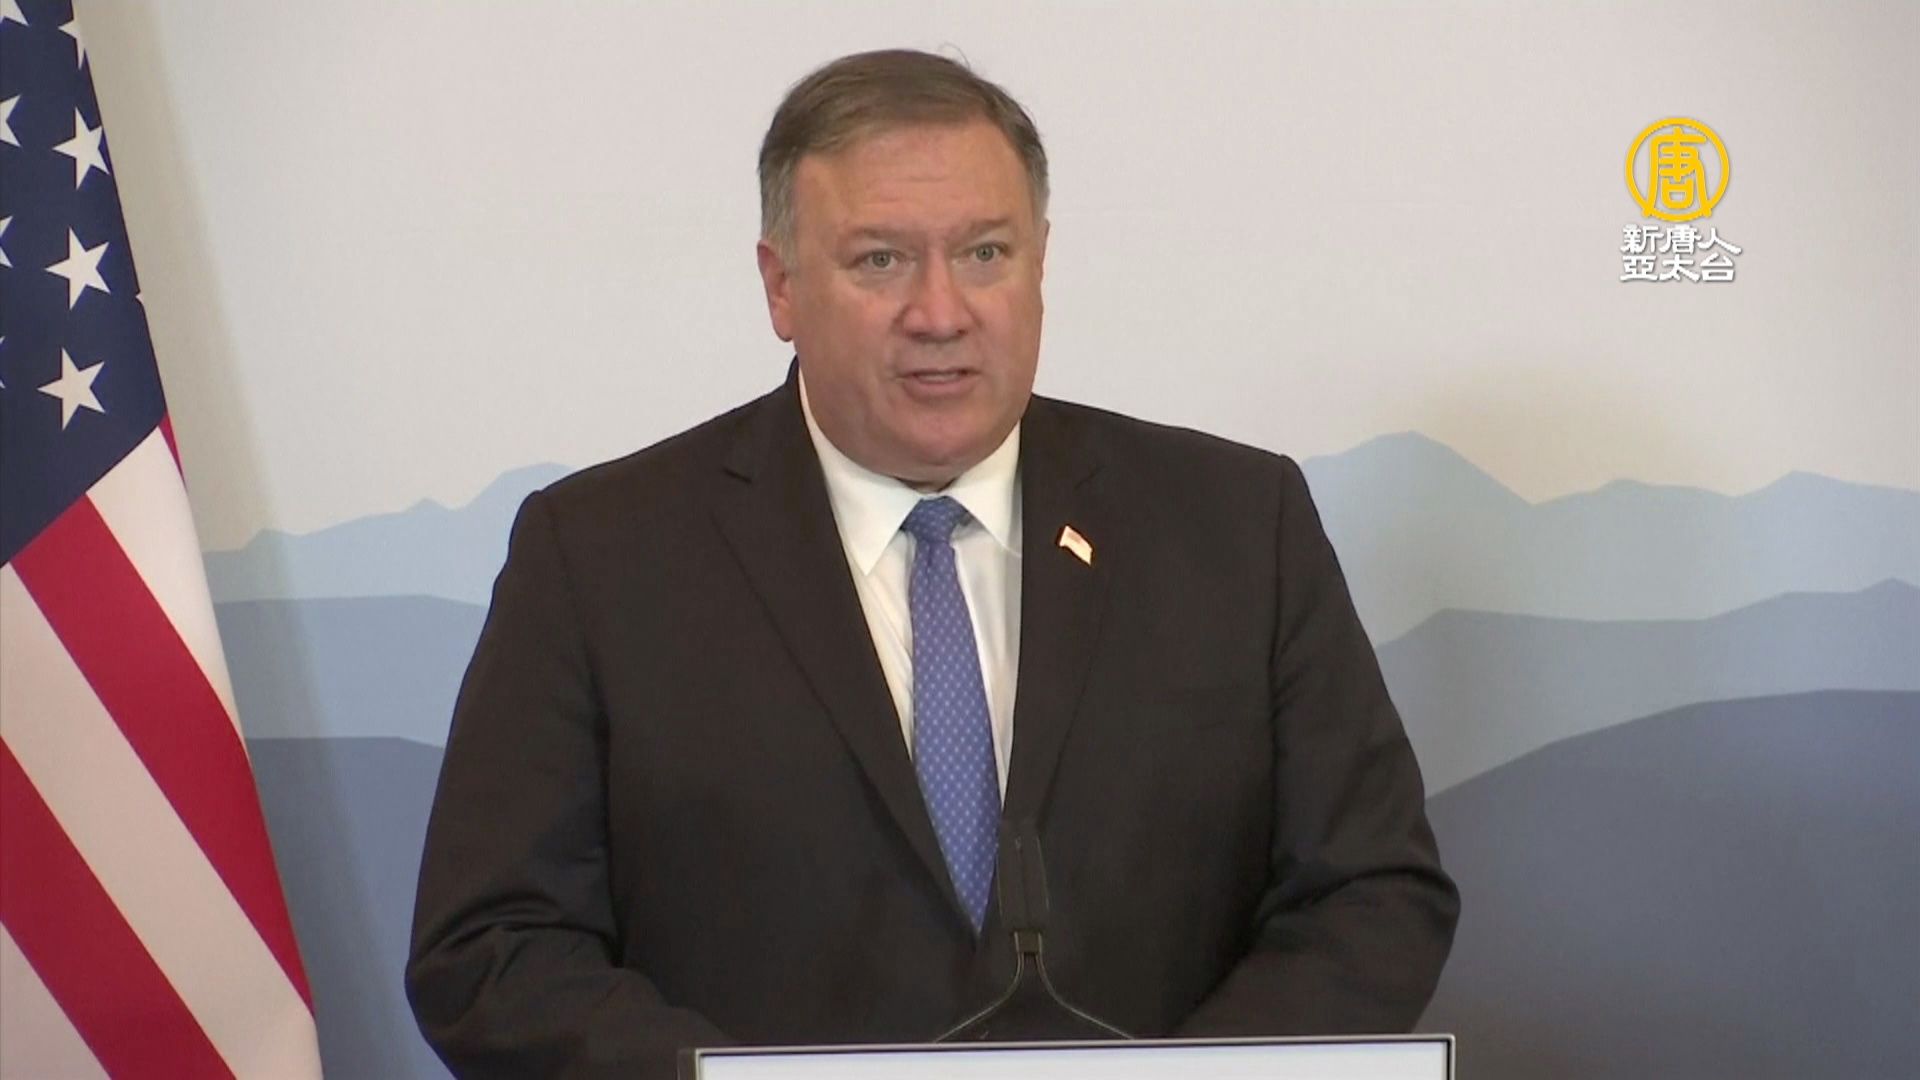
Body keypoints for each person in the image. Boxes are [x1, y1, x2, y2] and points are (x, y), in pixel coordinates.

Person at [407, 48, 1459, 1080]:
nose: (942, 313)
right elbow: (494, 949)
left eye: (985, 253)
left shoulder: (1234, 525)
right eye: (881, 260)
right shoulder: (601, 556)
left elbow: (1371, 893)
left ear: (1039, 265)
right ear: (780, 287)